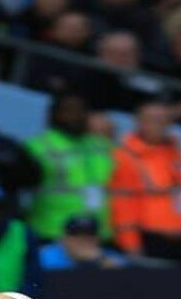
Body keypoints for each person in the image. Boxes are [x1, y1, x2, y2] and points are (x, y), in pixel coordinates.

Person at [109, 102, 181, 262]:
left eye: (164, 120)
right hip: (150, 240)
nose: (160, 125)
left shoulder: (178, 152)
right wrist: (130, 243)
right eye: (153, 119)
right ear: (138, 122)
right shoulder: (125, 156)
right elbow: (123, 204)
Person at [25, 93, 115, 242]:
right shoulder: (37, 147)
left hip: (97, 235)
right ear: (55, 114)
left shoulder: (103, 147)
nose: (76, 115)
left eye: (81, 110)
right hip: (52, 232)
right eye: (69, 110)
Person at [39, 216, 127, 271]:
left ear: (98, 240)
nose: (82, 242)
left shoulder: (106, 256)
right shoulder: (44, 256)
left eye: (88, 237)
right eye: (77, 237)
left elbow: (127, 270)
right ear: (64, 239)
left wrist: (99, 260)